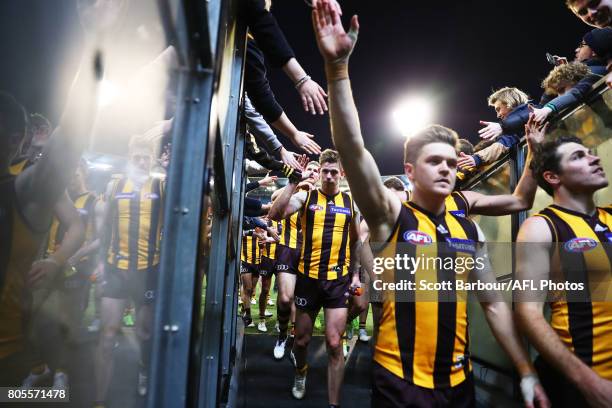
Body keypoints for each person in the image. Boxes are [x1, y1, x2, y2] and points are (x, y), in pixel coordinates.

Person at [309, 2, 550, 407]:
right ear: (410, 169)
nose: (446, 169)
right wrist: (337, 71)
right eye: (433, 161)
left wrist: (526, 372)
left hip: (459, 386)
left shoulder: (466, 226)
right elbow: (352, 150)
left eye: (452, 163)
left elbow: (492, 304)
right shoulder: (391, 214)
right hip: (399, 382)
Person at [515, 136, 612, 408]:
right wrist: (588, 383)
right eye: (578, 156)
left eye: (591, 153)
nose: (594, 158)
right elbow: (527, 312)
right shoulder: (541, 227)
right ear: (553, 176)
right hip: (590, 382)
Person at [269, 149, 361, 407]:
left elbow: (355, 243)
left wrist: (354, 275)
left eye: (334, 172)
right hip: (308, 280)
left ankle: (334, 403)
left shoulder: (350, 203)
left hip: (337, 282)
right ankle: (300, 372)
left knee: (334, 342)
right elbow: (275, 215)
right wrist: (292, 182)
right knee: (301, 341)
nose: (330, 176)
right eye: (325, 171)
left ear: (341, 174)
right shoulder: (306, 196)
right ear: (319, 173)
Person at [94, 138, 165, 404]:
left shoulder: (160, 185)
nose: (142, 161)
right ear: (129, 158)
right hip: (116, 268)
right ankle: (99, 399)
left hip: (149, 270)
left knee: (144, 332)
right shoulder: (114, 186)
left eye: (146, 157)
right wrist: (101, 261)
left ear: (152, 159)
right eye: (137, 157)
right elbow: (104, 227)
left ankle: (145, 369)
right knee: (107, 334)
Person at [271, 159, 320, 360]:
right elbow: (274, 199)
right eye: (310, 169)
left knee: (302, 304)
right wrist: (298, 184)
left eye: (317, 170)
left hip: (310, 254)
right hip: (288, 249)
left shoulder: (321, 196)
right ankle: (282, 335)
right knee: (284, 298)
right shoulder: (295, 189)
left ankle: (295, 339)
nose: (314, 172)